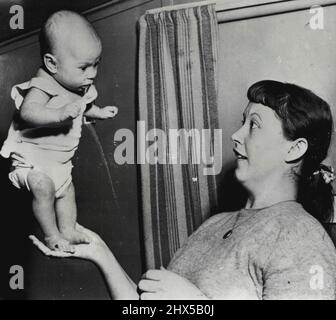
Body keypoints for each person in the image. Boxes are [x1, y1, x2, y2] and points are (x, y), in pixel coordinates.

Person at [30, 80, 336, 299]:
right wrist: (100, 252)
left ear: (294, 149)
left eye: (253, 125)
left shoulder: (303, 238)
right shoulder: (214, 224)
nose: (235, 135)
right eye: (242, 122)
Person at [1, 10, 118, 252]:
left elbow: (84, 107)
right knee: (44, 188)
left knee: (66, 192)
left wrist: (99, 112)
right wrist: (59, 113)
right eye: (84, 67)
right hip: (31, 162)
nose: (93, 73)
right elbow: (28, 112)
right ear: (52, 64)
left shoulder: (79, 86)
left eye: (96, 64)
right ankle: (52, 234)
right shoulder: (44, 85)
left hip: (60, 163)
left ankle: (68, 229)